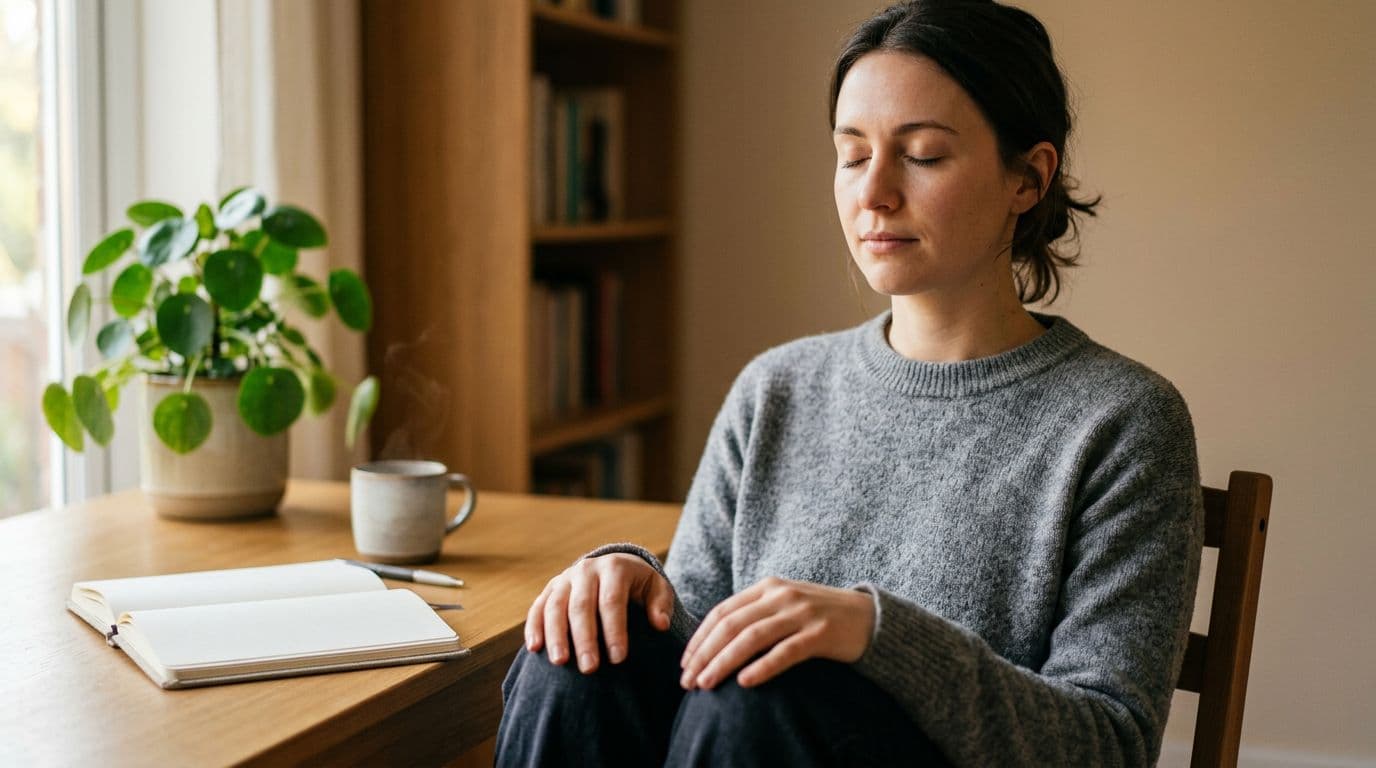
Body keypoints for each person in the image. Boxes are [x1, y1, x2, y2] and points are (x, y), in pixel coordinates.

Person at [496, 0, 1204, 765]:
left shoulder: (1122, 422)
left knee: (761, 694)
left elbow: (1111, 743)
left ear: (1028, 179)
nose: (874, 194)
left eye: (924, 155)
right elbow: (694, 634)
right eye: (852, 153)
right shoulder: (778, 387)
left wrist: (881, 637)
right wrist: (629, 577)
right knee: (580, 653)